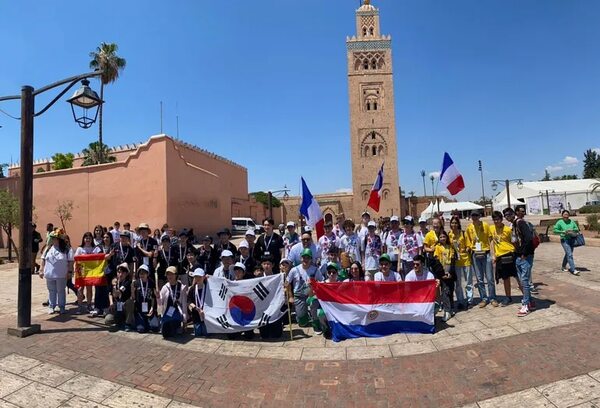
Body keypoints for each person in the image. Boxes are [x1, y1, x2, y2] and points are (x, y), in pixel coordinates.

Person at [503, 206, 535, 317]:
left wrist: (524, 254)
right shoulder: (514, 224)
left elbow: (529, 239)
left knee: (525, 281)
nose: (507, 217)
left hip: (524, 257)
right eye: (506, 215)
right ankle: (530, 302)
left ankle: (525, 305)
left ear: (514, 213)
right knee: (523, 281)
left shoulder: (520, 223)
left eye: (509, 214)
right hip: (519, 256)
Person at [466, 211, 498, 308]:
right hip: (475, 254)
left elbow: (491, 240)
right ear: (471, 217)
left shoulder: (485, 225)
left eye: (476, 215)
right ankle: (483, 298)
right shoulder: (469, 228)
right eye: (473, 215)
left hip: (486, 253)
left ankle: (492, 298)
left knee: (489, 278)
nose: (475, 217)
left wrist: (493, 254)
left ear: (480, 216)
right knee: (479, 279)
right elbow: (468, 242)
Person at [489, 211, 521, 307]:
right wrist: (493, 255)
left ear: (501, 219)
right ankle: (508, 297)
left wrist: (518, 254)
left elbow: (514, 242)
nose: (496, 221)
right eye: (494, 219)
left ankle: (527, 297)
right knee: (505, 278)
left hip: (510, 254)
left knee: (518, 276)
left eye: (498, 219)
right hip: (500, 256)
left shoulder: (508, 229)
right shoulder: (491, 228)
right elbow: (492, 242)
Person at [39, 229, 74, 314]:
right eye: (53, 238)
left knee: (61, 290)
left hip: (61, 275)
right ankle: (51, 306)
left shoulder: (67, 249)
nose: (54, 240)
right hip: (50, 274)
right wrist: (41, 270)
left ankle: (62, 306)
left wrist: (69, 272)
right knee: (51, 290)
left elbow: (71, 261)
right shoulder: (48, 248)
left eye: (56, 238)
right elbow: (43, 259)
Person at [287, 248, 316, 327]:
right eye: (304, 257)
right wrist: (290, 297)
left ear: (311, 259)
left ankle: (314, 318)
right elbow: (287, 283)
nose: (305, 260)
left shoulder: (315, 270)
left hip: (311, 295)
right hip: (299, 296)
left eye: (308, 258)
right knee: (302, 323)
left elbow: (321, 281)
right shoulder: (294, 270)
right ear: (300, 258)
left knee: (315, 304)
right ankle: (303, 315)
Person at [448, 216, 473, 309]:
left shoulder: (463, 233)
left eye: (455, 223)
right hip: (456, 261)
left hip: (465, 259)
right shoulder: (449, 234)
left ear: (458, 224)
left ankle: (470, 300)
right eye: (452, 223)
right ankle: (460, 301)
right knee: (458, 283)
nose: (454, 225)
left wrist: (465, 249)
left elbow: (469, 245)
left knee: (468, 282)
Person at [159, 266, 188, 338]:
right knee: (165, 334)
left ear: (176, 275)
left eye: (172, 274)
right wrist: (157, 297)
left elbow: (184, 304)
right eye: (168, 274)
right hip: (167, 312)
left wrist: (185, 321)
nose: (170, 276)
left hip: (177, 312)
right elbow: (160, 303)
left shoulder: (181, 287)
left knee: (173, 332)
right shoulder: (165, 287)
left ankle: (177, 326)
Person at [433, 231, 456, 321]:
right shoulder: (437, 248)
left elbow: (453, 260)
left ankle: (451, 308)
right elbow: (436, 261)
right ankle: (447, 311)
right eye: (441, 237)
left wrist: (451, 273)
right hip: (442, 273)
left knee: (450, 291)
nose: (442, 238)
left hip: (450, 272)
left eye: (444, 236)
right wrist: (442, 274)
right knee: (445, 292)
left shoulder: (450, 247)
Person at [91, 231, 114, 318]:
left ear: (110, 238)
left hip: (109, 272)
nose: (105, 239)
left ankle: (105, 308)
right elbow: (93, 257)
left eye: (107, 237)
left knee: (107, 290)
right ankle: (97, 308)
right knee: (98, 290)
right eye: (104, 237)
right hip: (99, 272)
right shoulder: (98, 247)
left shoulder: (113, 247)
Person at [74, 232, 97, 314]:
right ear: (83, 239)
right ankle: (79, 306)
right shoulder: (80, 249)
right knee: (80, 289)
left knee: (89, 289)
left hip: (90, 272)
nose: (88, 240)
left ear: (92, 239)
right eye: (86, 238)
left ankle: (89, 305)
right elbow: (76, 259)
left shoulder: (94, 249)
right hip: (81, 272)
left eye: (89, 238)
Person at [106, 263, 133, 329]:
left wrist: (114, 286)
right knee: (107, 320)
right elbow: (110, 293)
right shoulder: (115, 281)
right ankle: (120, 320)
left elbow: (116, 294)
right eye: (119, 272)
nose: (120, 274)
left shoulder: (128, 282)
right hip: (117, 305)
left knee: (130, 302)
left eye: (123, 272)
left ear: (126, 274)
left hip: (124, 305)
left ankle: (128, 323)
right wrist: (111, 303)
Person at [132, 264, 158, 333]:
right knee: (141, 329)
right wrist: (132, 290)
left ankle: (147, 322)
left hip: (149, 309)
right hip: (139, 310)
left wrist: (152, 308)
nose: (142, 275)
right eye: (140, 273)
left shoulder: (151, 282)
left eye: (144, 273)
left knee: (155, 328)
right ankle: (141, 322)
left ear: (147, 274)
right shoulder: (136, 283)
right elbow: (133, 298)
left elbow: (153, 297)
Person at [553, 210, 580, 275]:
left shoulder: (571, 221)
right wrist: (562, 232)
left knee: (568, 254)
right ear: (562, 215)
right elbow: (555, 230)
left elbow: (577, 229)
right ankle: (573, 269)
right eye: (565, 214)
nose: (566, 216)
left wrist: (572, 230)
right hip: (564, 240)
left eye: (567, 215)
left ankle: (563, 266)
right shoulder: (560, 222)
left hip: (572, 239)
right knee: (569, 254)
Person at [187, 268, 208, 337]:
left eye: (200, 277)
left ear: (203, 277)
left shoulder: (208, 288)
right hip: (196, 314)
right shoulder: (192, 289)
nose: (198, 278)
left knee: (206, 333)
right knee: (198, 333)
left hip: (206, 314)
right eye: (196, 277)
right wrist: (197, 308)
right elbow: (189, 301)